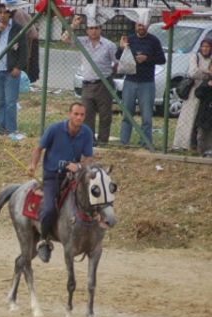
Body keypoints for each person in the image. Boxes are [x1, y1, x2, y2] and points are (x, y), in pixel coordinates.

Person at [28, 102, 94, 262]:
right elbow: (39, 149)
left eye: (82, 115)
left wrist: (78, 166)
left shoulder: (87, 133)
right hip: (52, 176)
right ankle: (44, 241)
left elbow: (88, 157)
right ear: (69, 114)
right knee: (49, 207)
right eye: (76, 114)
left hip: (74, 176)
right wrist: (32, 165)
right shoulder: (54, 129)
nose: (79, 117)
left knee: (93, 201)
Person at [61, 15, 117, 145]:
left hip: (104, 84)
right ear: (87, 30)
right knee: (87, 115)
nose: (93, 31)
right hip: (87, 84)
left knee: (105, 115)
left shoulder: (109, 45)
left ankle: (103, 141)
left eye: (96, 28)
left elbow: (117, 62)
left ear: (100, 29)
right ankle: (90, 141)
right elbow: (64, 38)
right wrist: (74, 25)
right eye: (91, 28)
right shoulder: (83, 42)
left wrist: (109, 76)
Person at [116, 20, 165, 147]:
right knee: (127, 113)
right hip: (130, 81)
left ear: (147, 26)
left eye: (143, 24)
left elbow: (162, 59)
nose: (141, 27)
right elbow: (118, 56)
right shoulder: (129, 39)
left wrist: (147, 59)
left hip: (147, 82)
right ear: (135, 26)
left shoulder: (154, 41)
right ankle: (124, 141)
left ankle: (145, 142)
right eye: (139, 24)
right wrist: (121, 48)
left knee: (147, 115)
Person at [0, 1, 27, 136]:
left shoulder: (17, 28)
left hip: (11, 70)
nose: (3, 15)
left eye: (5, 12)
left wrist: (18, 67)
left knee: (10, 102)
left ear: (10, 14)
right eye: (0, 12)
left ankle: (11, 130)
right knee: (0, 102)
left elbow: (24, 51)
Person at [172, 38, 212, 152]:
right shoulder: (196, 57)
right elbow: (193, 72)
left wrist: (204, 74)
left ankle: (198, 145)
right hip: (193, 91)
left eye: (208, 46)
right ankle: (182, 144)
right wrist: (207, 73)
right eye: (203, 46)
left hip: (205, 92)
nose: (205, 49)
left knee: (201, 120)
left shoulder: (210, 59)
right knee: (188, 118)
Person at [194, 63, 212, 157]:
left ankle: (209, 150)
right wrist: (207, 86)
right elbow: (198, 93)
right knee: (202, 133)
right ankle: (201, 150)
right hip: (205, 113)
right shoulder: (206, 82)